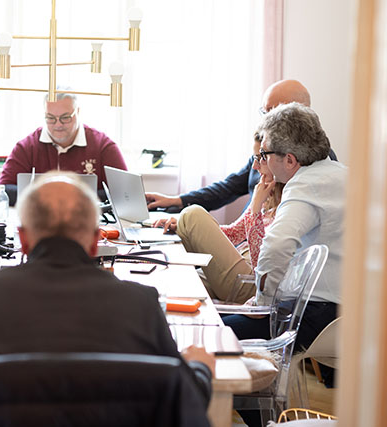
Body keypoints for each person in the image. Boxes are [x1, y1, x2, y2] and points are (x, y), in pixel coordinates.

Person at [0, 172, 216, 417]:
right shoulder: (140, 303)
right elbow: (184, 397)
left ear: (21, 240)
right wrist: (200, 370)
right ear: (96, 242)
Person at [222, 104, 346, 427]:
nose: (260, 163)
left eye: (264, 154)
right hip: (347, 312)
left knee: (219, 337)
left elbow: (275, 246)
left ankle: (262, 421)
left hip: (320, 313)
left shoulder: (305, 185)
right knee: (224, 325)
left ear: (289, 159)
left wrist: (264, 305)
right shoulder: (341, 174)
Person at [145, 79, 336, 213]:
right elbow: (228, 187)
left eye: (272, 111)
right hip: (244, 235)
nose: (265, 119)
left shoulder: (317, 158)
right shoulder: (264, 148)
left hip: (261, 245)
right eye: (264, 111)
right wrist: (178, 200)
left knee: (191, 221)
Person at [153, 132, 284, 303]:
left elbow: (262, 265)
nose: (255, 167)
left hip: (249, 283)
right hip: (235, 269)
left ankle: (151, 256)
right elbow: (233, 233)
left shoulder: (287, 206)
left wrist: (255, 210)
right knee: (171, 284)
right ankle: (147, 260)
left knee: (193, 214)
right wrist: (183, 226)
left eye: (260, 159)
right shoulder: (267, 198)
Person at [0, 91, 128, 204]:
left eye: (65, 118)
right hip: (38, 221)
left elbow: (125, 193)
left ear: (77, 112)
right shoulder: (27, 147)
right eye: (50, 118)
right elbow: (2, 190)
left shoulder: (103, 146)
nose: (58, 124)